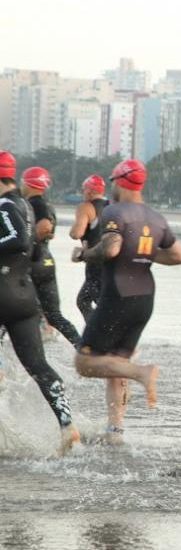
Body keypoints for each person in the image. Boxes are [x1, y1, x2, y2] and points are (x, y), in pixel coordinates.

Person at [73, 159, 181, 444]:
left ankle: (142, 372)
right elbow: (178, 256)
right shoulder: (156, 216)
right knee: (115, 363)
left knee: (85, 362)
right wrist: (145, 254)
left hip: (118, 296)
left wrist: (83, 255)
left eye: (112, 181)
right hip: (145, 298)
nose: (110, 187)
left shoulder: (115, 211)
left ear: (121, 181)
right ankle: (116, 431)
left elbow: (111, 249)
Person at [0, 151, 79, 454]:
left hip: (3, 292)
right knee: (38, 365)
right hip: (23, 295)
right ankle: (67, 425)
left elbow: (18, 239)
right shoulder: (27, 206)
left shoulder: (6, 205)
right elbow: (32, 251)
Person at [21, 167, 82, 348]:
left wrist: (27, 243)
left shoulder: (33, 203)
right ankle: (82, 347)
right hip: (46, 261)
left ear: (27, 183)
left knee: (10, 310)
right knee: (54, 315)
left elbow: (45, 227)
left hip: (32, 262)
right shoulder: (48, 205)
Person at [70, 174, 108, 321]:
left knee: (101, 303)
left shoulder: (86, 207)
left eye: (83, 190)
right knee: (83, 300)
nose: (82, 193)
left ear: (89, 191)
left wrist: (72, 230)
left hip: (94, 261)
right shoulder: (111, 206)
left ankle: (103, 337)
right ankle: (92, 334)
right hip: (111, 260)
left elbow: (76, 233)